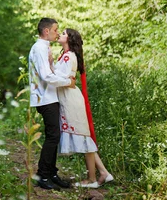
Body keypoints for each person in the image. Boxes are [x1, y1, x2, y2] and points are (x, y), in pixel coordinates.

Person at [53, 28, 114, 188]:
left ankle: (92, 179)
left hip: (70, 99)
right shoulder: (65, 56)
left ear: (70, 39)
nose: (60, 34)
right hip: (69, 97)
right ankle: (103, 173)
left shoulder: (69, 56)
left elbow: (63, 79)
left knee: (83, 137)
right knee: (83, 136)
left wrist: (48, 73)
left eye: (64, 33)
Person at [28, 18, 76, 190]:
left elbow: (49, 71)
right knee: (53, 136)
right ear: (46, 31)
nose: (58, 33)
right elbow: (46, 77)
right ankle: (42, 175)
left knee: (54, 135)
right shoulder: (39, 48)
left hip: (50, 97)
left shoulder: (44, 48)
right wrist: (67, 82)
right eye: (56, 30)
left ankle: (51, 173)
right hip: (44, 98)